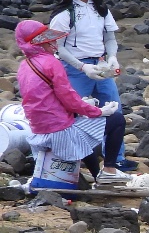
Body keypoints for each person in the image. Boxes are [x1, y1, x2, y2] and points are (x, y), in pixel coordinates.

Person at [13, 20, 127, 184]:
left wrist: (83, 106)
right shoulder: (52, 62)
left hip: (38, 131)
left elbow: (45, 99)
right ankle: (109, 169)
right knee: (116, 120)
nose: (53, 43)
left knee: (80, 127)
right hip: (59, 132)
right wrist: (99, 111)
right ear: (38, 43)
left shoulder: (25, 65)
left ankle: (97, 176)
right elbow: (69, 99)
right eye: (48, 40)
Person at [49, 0, 131, 170]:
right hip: (75, 69)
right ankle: (72, 158)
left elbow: (110, 38)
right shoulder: (63, 14)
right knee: (74, 114)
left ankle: (116, 159)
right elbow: (57, 47)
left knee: (114, 110)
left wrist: (112, 57)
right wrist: (81, 67)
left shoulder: (101, 9)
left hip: (101, 65)